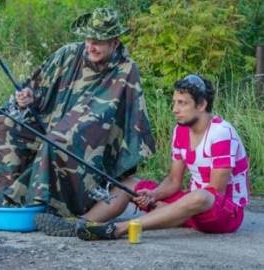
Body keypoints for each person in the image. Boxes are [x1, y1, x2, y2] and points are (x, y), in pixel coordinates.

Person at [0, 8, 155, 230]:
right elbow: (34, 88)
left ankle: (47, 208)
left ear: (114, 42)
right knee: (6, 123)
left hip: (94, 140)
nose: (91, 46)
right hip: (51, 124)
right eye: (88, 39)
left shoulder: (126, 69)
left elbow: (115, 117)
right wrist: (26, 96)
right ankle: (8, 203)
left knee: (59, 138)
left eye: (98, 41)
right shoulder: (68, 54)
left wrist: (65, 128)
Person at [68, 74, 250, 241]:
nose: (175, 109)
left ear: (201, 105)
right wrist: (154, 195)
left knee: (201, 196)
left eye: (182, 103)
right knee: (129, 184)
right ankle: (80, 224)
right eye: (174, 102)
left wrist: (174, 206)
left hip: (225, 213)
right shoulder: (181, 130)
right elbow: (173, 180)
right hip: (191, 206)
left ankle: (119, 229)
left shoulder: (221, 133)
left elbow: (215, 192)